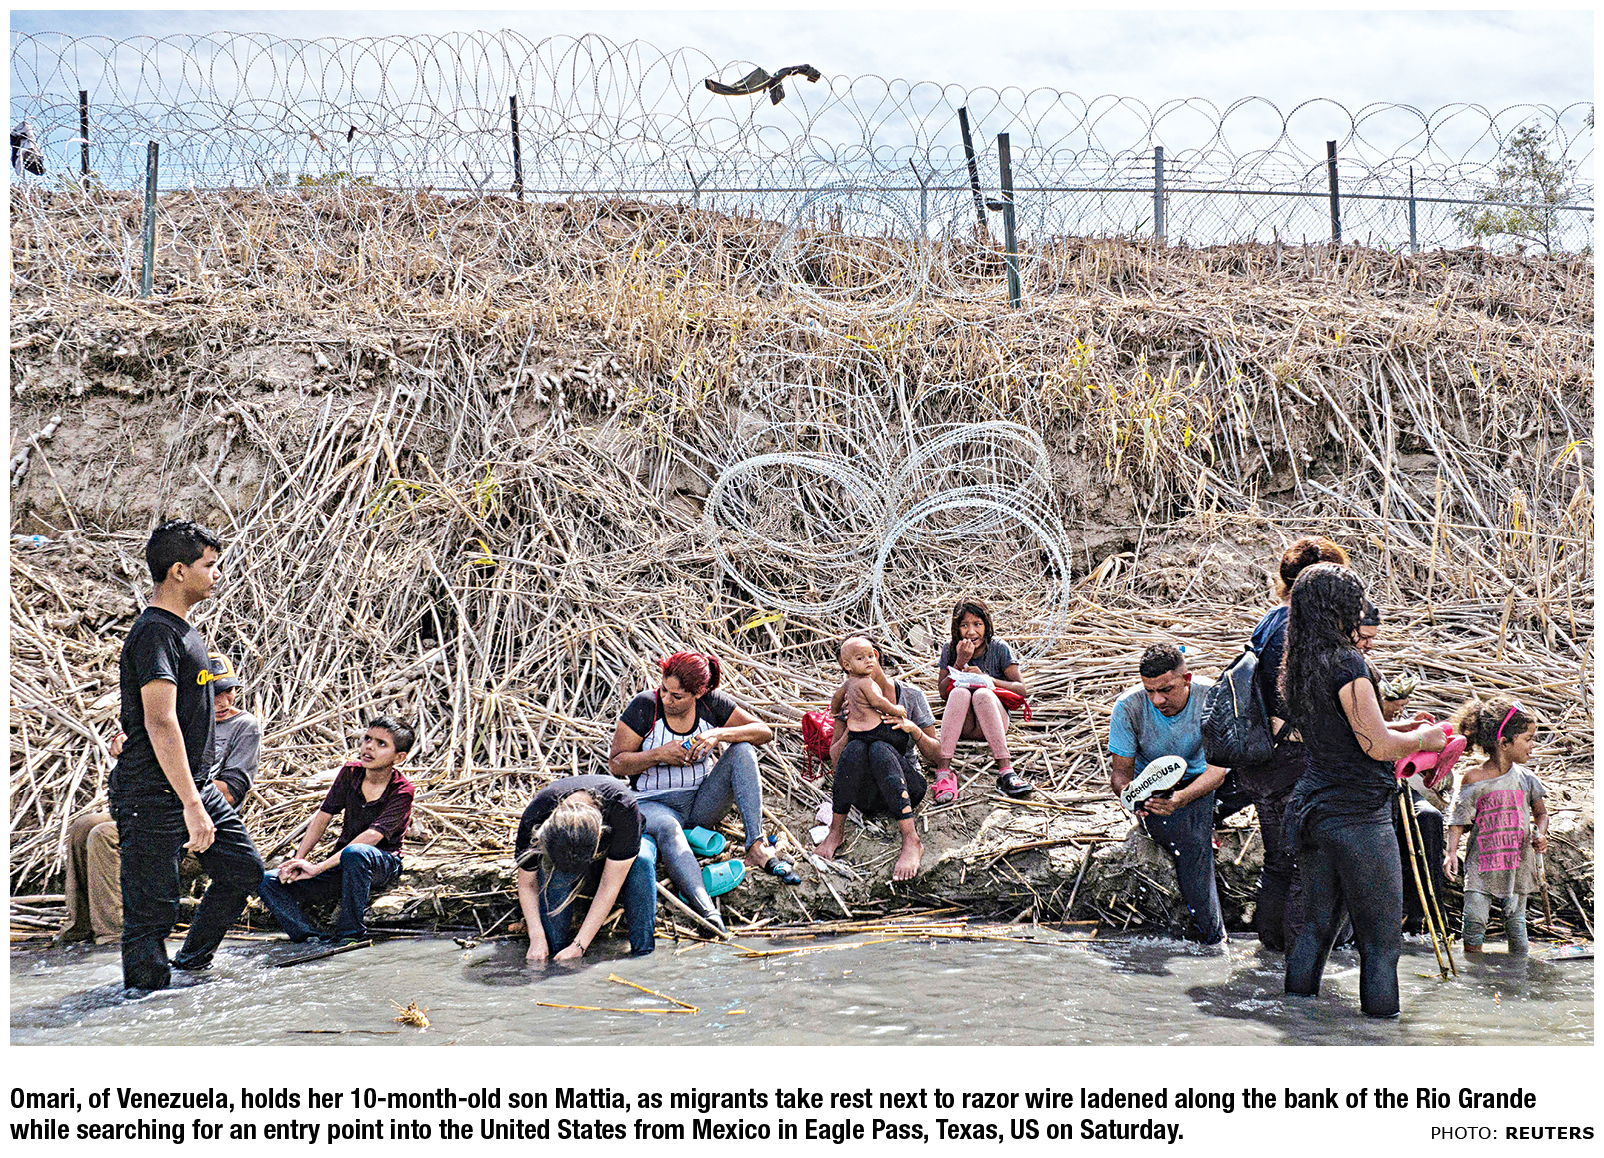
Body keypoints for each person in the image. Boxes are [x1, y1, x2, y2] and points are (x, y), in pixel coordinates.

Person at [1281, 563, 1446, 1017]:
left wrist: (1402, 728)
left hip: (1313, 809)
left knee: (1316, 929)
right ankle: (1381, 1039)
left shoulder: (1300, 663)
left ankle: (1296, 1023)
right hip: (1358, 817)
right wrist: (1423, 739)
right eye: (1355, 603)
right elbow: (1376, 746)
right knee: (1381, 945)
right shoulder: (1349, 664)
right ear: (1338, 608)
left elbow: (1347, 734)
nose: (1360, 611)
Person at [108, 519, 265, 990]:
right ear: (178, 571)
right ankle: (142, 1005)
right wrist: (192, 804)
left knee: (243, 870)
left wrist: (196, 795)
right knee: (151, 914)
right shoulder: (155, 632)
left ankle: (191, 963)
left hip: (190, 785)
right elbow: (160, 721)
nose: (217, 574)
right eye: (210, 565)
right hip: (154, 793)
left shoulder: (183, 631)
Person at [58, 651, 260, 946]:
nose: (223, 701)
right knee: (83, 827)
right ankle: (79, 928)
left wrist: (181, 791)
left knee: (104, 835)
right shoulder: (183, 720)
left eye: (228, 691)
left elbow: (229, 792)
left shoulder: (244, 725)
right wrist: (127, 746)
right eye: (214, 693)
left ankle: (113, 936)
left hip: (193, 824)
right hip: (155, 808)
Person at [609, 651, 794, 937]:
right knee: (670, 828)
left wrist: (719, 734)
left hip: (700, 803)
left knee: (743, 750)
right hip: (652, 803)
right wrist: (658, 755)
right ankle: (707, 912)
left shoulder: (711, 704)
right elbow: (617, 763)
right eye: (664, 690)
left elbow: (762, 731)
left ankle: (756, 846)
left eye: (677, 696)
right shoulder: (646, 706)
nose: (667, 699)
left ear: (698, 693)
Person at [1237, 535, 1350, 951]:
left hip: (1263, 758)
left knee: (1279, 861)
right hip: (1298, 759)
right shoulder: (1305, 628)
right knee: (1308, 865)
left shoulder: (1269, 621)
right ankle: (1299, 966)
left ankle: (1269, 957)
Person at [1107, 642, 1229, 946]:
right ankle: (1214, 938)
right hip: (1158, 788)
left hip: (1206, 778)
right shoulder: (1128, 707)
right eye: (1150, 691)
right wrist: (1130, 795)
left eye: (1166, 690)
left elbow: (1220, 770)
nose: (1157, 700)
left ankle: (1213, 939)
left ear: (1186, 680)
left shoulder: (1210, 697)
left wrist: (1184, 798)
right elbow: (1120, 773)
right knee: (1192, 842)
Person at [257, 717, 415, 944]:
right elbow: (323, 816)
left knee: (356, 853)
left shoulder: (402, 791)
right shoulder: (350, 773)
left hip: (381, 864)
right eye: (367, 739)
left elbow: (372, 837)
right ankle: (309, 936)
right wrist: (298, 860)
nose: (369, 747)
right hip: (342, 863)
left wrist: (318, 867)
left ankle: (350, 934)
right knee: (266, 880)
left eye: (381, 744)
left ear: (399, 757)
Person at [817, 635, 941, 879]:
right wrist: (850, 725)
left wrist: (913, 730)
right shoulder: (850, 698)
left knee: (879, 749)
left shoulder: (910, 696)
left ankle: (911, 839)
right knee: (857, 747)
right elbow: (837, 760)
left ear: (875, 655)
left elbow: (938, 757)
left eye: (867, 656)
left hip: (906, 788)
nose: (863, 664)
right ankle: (835, 832)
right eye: (853, 662)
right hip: (867, 796)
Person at [1444, 697, 1548, 956]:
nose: (1533, 746)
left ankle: (1518, 972)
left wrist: (1541, 834)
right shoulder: (1474, 778)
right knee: (1474, 922)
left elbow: (1541, 813)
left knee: (1516, 924)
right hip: (1482, 865)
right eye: (1528, 739)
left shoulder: (1526, 778)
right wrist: (1451, 853)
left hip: (1517, 864)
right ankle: (1473, 969)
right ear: (1503, 743)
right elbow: (1458, 820)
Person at [513, 775, 657, 960]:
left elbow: (609, 885)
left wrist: (579, 945)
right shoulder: (536, 816)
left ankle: (643, 952)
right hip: (565, 851)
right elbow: (527, 884)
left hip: (621, 848)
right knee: (558, 876)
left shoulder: (623, 807)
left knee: (643, 861)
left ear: (599, 833)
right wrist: (536, 937)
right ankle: (556, 950)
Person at [933, 598, 1033, 801]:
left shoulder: (998, 648)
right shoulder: (950, 649)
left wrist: (987, 680)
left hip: (991, 723)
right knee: (959, 693)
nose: (971, 632)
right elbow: (943, 693)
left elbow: (1021, 689)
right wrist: (959, 662)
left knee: (982, 694)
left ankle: (1006, 771)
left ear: (986, 626)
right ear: (956, 629)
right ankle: (943, 773)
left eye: (977, 624)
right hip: (962, 725)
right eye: (964, 625)